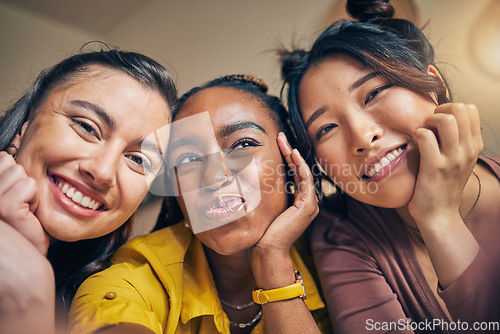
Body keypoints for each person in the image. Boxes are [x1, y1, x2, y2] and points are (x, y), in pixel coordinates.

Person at [279, 0, 500, 332]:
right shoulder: (341, 232)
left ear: (434, 85)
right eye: (326, 129)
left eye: (374, 93)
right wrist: (438, 218)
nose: (362, 137)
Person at [69, 74, 332, 333]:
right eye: (187, 160)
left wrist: (273, 261)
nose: (213, 176)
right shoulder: (132, 280)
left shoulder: (334, 261)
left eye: (243, 144)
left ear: (291, 166)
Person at [0, 46, 177, 334]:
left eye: (137, 159)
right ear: (25, 124)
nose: (103, 171)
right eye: (86, 127)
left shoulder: (112, 296)